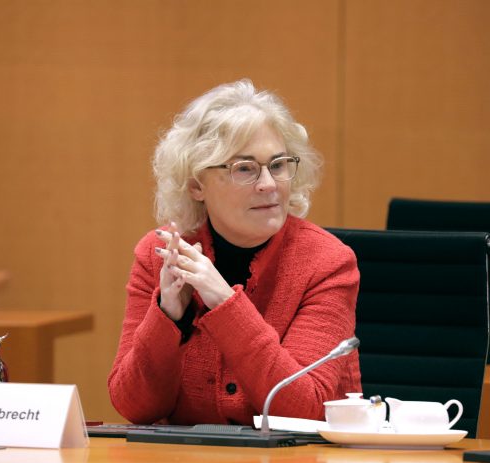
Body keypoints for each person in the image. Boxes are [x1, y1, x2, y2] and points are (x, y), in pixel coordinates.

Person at [108, 79, 361, 425]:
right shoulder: (159, 254)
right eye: (244, 169)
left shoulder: (328, 263)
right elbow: (133, 406)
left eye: (278, 165)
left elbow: (306, 409)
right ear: (197, 185)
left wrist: (226, 305)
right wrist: (169, 315)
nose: (269, 184)